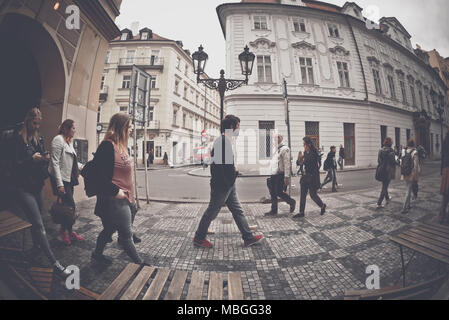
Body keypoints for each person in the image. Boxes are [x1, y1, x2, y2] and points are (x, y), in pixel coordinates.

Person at [12, 108, 71, 276]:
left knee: (36, 221)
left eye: (38, 123)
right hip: (23, 187)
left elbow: (44, 156)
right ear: (27, 120)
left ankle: (35, 248)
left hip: (37, 185)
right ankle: (55, 263)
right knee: (38, 223)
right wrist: (31, 159)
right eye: (33, 123)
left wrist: (44, 157)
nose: (36, 126)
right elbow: (14, 164)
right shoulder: (18, 137)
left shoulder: (39, 137)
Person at [193, 115, 264, 248]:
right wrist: (232, 176)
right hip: (223, 185)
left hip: (228, 184)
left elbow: (224, 165)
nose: (239, 129)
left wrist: (233, 175)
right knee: (212, 211)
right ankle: (199, 237)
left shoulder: (226, 141)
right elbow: (218, 167)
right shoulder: (222, 142)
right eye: (238, 126)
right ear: (231, 127)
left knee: (237, 211)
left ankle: (248, 237)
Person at [91, 113, 143, 265]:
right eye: (129, 127)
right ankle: (140, 264)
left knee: (108, 229)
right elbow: (99, 177)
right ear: (122, 128)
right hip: (115, 199)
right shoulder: (107, 146)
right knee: (126, 235)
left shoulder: (122, 145)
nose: (131, 130)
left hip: (127, 197)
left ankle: (97, 254)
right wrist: (116, 191)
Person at [48, 119, 83, 246]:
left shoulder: (68, 142)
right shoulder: (58, 140)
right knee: (71, 207)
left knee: (68, 208)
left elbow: (72, 162)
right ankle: (64, 231)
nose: (74, 130)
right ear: (66, 129)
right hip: (62, 179)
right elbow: (55, 162)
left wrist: (84, 167)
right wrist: (59, 184)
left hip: (69, 179)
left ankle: (68, 231)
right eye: (73, 128)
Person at [294, 137, 326, 218]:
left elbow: (313, 163)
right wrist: (299, 160)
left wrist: (302, 160)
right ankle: (301, 212)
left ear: (309, 144)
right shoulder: (305, 152)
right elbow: (300, 163)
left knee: (313, 195)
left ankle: (322, 206)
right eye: (303, 144)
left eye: (304, 144)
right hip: (305, 177)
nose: (303, 146)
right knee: (303, 195)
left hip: (312, 177)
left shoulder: (314, 153)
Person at [265, 134, 296, 216]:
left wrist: (287, 176)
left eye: (278, 137)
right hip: (273, 174)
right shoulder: (274, 149)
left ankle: (291, 201)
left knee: (278, 192)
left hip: (280, 174)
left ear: (281, 138)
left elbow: (287, 163)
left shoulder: (285, 149)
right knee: (273, 193)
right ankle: (274, 210)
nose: (275, 139)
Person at [400, 138, 420, 214]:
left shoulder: (403, 151)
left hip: (405, 173)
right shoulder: (414, 152)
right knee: (408, 190)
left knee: (408, 188)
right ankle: (404, 208)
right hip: (411, 173)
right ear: (413, 144)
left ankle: (408, 205)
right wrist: (416, 175)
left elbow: (401, 163)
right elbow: (416, 165)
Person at [376, 137, 396, 209]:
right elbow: (393, 161)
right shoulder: (391, 151)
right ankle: (379, 203)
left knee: (384, 185)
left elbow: (378, 160)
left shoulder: (380, 150)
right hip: (388, 170)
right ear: (390, 143)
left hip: (381, 169)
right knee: (385, 186)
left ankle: (387, 198)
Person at [439, 131, 449, 224]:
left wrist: (442, 170)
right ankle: (442, 216)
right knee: (446, 195)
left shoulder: (446, 139)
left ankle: (442, 216)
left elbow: (443, 155)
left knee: (446, 195)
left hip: (446, 169)